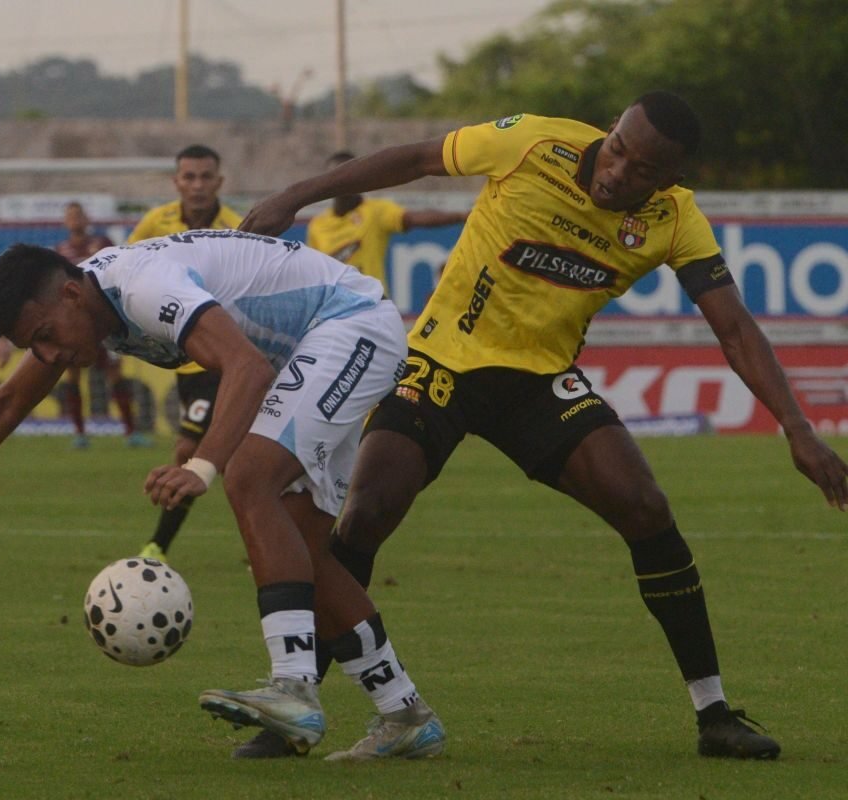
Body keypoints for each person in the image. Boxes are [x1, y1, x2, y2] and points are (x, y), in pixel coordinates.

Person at [240, 91, 848, 760]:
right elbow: (414, 157)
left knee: (646, 508)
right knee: (365, 517)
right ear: (612, 127)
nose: (617, 170)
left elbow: (733, 326)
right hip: (441, 366)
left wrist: (797, 427)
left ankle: (715, 716)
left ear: (668, 178)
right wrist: (294, 195)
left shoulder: (676, 219)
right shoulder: (531, 142)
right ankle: (295, 717)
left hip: (537, 382)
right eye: (618, 147)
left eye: (642, 169)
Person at [0, 232, 446, 761]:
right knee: (303, 547)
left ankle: (293, 688)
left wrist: (202, 465)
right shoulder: (87, 306)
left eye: (46, 335)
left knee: (246, 479)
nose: (48, 356)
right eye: (33, 348)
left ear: (70, 293)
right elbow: (7, 402)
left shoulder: (144, 288)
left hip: (349, 325)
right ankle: (405, 717)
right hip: (311, 352)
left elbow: (247, 368)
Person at [127, 144, 242, 562]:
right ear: (176, 181)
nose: (197, 185)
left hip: (232, 357)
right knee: (233, 462)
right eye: (189, 177)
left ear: (219, 182)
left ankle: (158, 545)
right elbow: (123, 270)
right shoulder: (156, 224)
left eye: (205, 177)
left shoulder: (237, 227)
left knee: (189, 452)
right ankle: (275, 539)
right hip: (189, 360)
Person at [51, 201, 143, 449]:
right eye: (70, 216)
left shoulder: (102, 245)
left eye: (78, 215)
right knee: (72, 375)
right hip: (76, 327)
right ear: (65, 222)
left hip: (104, 322)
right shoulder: (60, 252)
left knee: (115, 373)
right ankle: (80, 433)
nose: (75, 220)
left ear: (87, 218)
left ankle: (130, 431)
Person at [306, 150, 468, 290]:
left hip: (371, 306)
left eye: (347, 176)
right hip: (333, 312)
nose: (341, 183)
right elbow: (314, 275)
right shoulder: (317, 225)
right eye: (334, 178)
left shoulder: (375, 211)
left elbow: (415, 218)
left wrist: (461, 216)